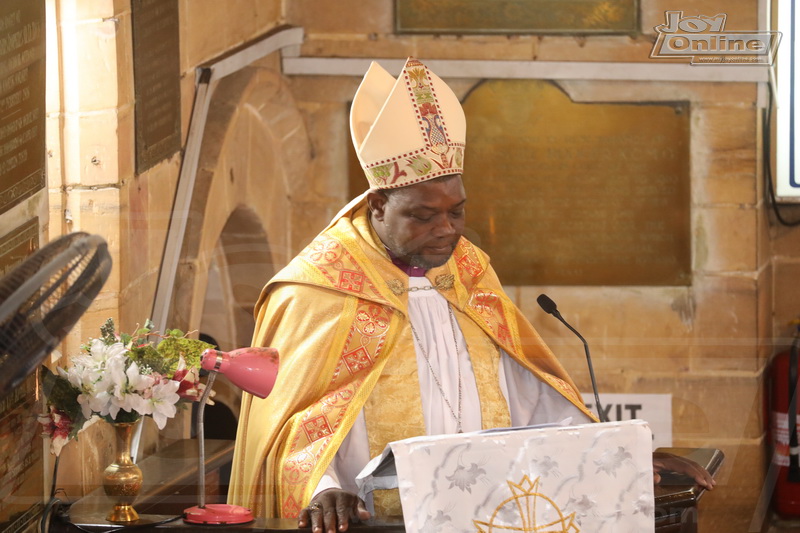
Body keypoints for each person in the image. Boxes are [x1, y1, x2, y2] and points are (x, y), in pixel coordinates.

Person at [228, 57, 714, 533]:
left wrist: (620, 455)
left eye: (457, 213)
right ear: (378, 205)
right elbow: (292, 425)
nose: (447, 231)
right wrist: (320, 488)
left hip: (489, 512)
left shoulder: (466, 272)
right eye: (423, 216)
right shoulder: (319, 289)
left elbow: (528, 396)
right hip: (379, 523)